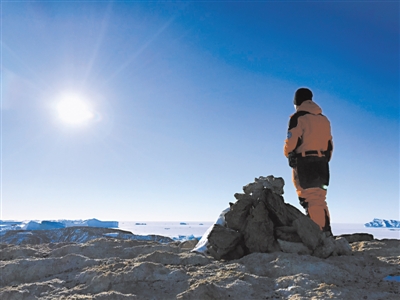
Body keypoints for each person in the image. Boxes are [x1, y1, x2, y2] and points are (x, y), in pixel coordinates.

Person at [284, 88, 333, 234]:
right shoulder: (324, 119)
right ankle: (326, 231)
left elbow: (291, 141)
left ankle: (317, 234)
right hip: (322, 162)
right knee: (319, 198)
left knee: (310, 199)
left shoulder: (298, 117)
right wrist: (324, 160)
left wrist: (288, 154)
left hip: (305, 162)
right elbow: (329, 144)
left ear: (297, 102)